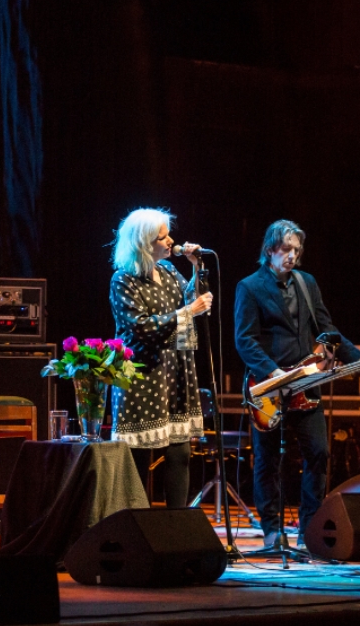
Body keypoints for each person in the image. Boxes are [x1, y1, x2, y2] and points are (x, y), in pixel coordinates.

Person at [234, 220, 360, 548]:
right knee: (268, 459)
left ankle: (309, 529)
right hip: (268, 386)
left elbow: (327, 330)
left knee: (319, 452)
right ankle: (273, 530)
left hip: (306, 385)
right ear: (269, 250)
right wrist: (272, 371)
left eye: (296, 250)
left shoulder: (307, 283)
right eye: (286, 249)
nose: (292, 256)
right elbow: (244, 340)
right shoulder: (249, 287)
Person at [109, 208, 213, 507]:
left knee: (179, 453)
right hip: (142, 375)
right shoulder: (123, 280)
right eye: (162, 237)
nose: (171, 241)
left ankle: (175, 529)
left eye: (168, 235)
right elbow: (140, 328)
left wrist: (196, 268)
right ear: (143, 243)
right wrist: (187, 313)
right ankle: (138, 530)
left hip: (174, 371)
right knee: (140, 457)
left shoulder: (167, 271)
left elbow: (194, 303)